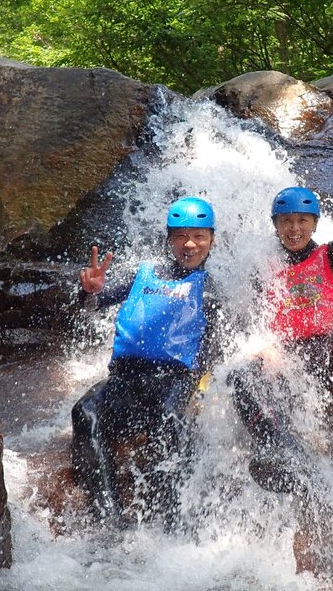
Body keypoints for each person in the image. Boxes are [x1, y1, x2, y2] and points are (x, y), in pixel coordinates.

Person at [231, 157, 333, 493]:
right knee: (239, 374)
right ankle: (282, 450)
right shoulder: (264, 268)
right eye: (286, 221)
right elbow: (260, 321)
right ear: (276, 225)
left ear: (315, 223)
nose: (294, 229)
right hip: (295, 364)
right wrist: (264, 349)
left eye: (302, 220)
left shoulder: (332, 255)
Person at [70, 196, 224, 525]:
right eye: (181, 236)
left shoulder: (212, 289)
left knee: (170, 419)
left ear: (212, 240)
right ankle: (108, 514)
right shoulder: (144, 274)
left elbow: (213, 351)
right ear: (169, 240)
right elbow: (90, 308)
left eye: (199, 236)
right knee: (84, 413)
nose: (190, 244)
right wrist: (89, 292)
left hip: (175, 381)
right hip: (127, 380)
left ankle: (170, 521)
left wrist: (199, 390)